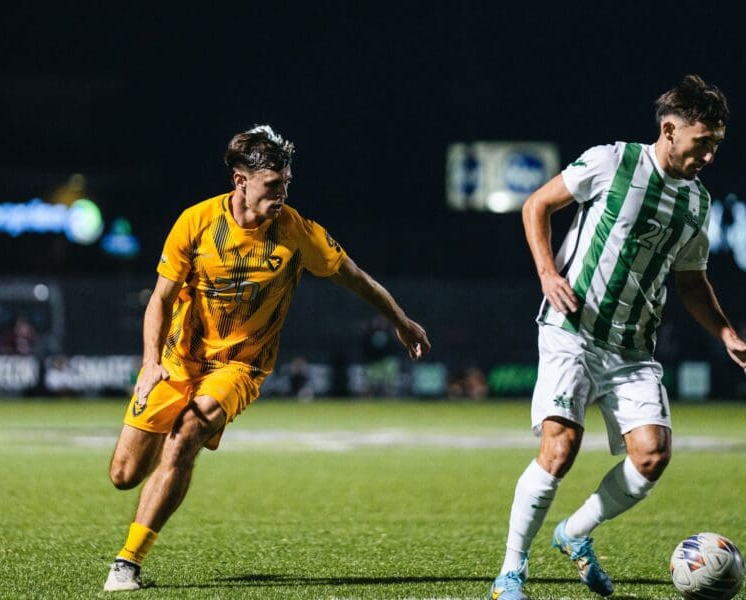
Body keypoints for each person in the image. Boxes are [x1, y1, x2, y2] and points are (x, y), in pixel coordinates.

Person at [103, 124, 431, 592]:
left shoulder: (297, 232)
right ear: (240, 180)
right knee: (124, 475)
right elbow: (159, 299)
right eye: (273, 186)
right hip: (177, 361)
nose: (282, 194)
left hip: (240, 366)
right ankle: (161, 460)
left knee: (186, 436)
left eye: (287, 185)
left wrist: (401, 320)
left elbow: (355, 277)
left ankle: (127, 563)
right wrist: (152, 362)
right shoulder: (195, 223)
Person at [490, 74, 746, 600]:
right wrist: (547, 273)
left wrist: (723, 330)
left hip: (633, 347)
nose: (709, 157)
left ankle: (575, 534)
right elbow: (536, 204)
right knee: (560, 448)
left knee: (652, 454)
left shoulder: (697, 203)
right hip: (572, 329)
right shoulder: (613, 161)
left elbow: (692, 279)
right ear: (670, 131)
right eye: (703, 143)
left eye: (716, 146)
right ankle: (511, 573)